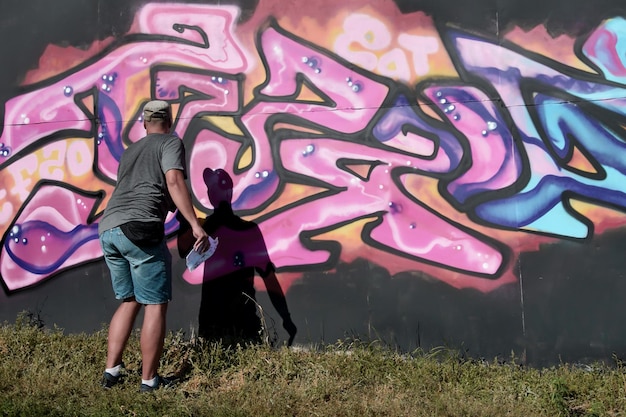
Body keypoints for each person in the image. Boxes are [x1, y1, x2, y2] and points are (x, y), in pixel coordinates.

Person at [98, 100, 209, 392]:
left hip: (109, 228)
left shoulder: (130, 151)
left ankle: (111, 372)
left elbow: (153, 191)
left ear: (144, 123)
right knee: (155, 305)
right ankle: (149, 381)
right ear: (169, 122)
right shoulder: (170, 143)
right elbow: (173, 181)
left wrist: (178, 211)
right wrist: (196, 224)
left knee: (130, 300)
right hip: (140, 229)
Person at [177, 168, 297, 346]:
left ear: (224, 192)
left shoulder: (205, 228)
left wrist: (183, 216)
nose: (210, 192)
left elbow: (182, 249)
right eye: (209, 188)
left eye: (212, 188)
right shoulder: (245, 229)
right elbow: (268, 276)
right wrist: (285, 317)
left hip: (216, 317)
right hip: (240, 315)